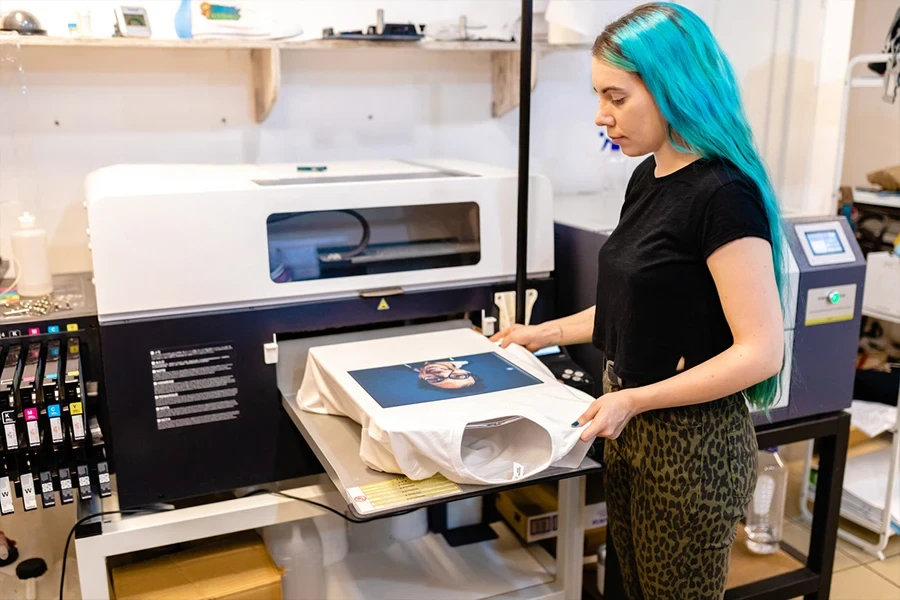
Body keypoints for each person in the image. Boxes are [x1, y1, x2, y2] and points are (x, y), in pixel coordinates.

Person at [491, 3, 787, 599]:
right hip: (629, 430)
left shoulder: (724, 195)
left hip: (690, 450)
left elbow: (762, 353)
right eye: (599, 97)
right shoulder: (649, 177)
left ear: (673, 86)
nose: (602, 117)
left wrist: (636, 400)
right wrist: (539, 334)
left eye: (617, 98)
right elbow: (639, 305)